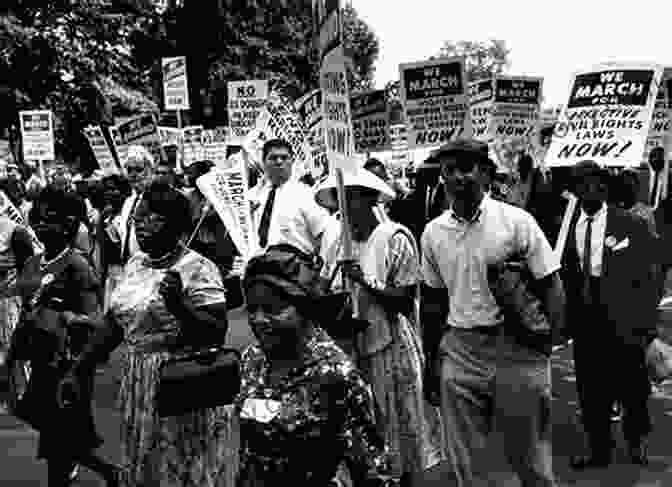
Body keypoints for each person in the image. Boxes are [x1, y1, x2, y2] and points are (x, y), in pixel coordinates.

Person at [420, 139, 565, 487]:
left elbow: (552, 285)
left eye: (466, 168)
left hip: (516, 348)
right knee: (470, 463)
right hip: (461, 350)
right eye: (449, 170)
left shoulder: (517, 222)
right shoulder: (433, 233)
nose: (458, 177)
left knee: (530, 458)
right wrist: (432, 359)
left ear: (485, 173)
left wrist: (548, 348)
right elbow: (433, 301)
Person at [66, 181, 232, 486]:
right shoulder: (136, 263)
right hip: (139, 380)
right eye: (137, 219)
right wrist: (80, 368)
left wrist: (180, 306)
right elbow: (116, 323)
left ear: (176, 225)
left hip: (182, 381)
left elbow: (215, 332)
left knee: (182, 463)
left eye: (152, 219)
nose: (142, 226)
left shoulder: (199, 268)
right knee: (146, 462)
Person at [316, 169, 445, 485]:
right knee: (360, 429)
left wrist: (365, 280)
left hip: (389, 345)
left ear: (371, 200)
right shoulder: (336, 242)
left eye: (352, 198)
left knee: (399, 426)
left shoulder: (395, 238)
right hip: (350, 346)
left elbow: (403, 299)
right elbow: (322, 287)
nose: (345, 209)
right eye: (340, 200)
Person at [237, 244, 399, 486]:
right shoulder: (252, 360)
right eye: (252, 309)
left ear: (303, 309)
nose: (259, 320)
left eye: (273, 310)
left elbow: (374, 469)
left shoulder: (335, 375)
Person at [16, 188, 119, 486]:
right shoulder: (34, 262)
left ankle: (104, 473)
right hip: (40, 360)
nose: (40, 226)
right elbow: (28, 307)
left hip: (69, 364)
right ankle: (108, 472)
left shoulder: (78, 265)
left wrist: (70, 319)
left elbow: (96, 321)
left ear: (69, 224)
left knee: (59, 440)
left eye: (49, 220)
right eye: (36, 219)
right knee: (53, 433)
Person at [559, 161, 659, 469]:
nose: (590, 188)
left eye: (595, 182)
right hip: (587, 322)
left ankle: (636, 442)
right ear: (575, 190)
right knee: (591, 388)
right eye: (581, 183)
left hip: (624, 319)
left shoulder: (631, 224)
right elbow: (565, 275)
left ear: (604, 187)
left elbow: (649, 278)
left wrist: (646, 328)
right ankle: (598, 449)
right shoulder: (566, 226)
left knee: (632, 385)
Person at [247, 139, 331, 256]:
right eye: (273, 158)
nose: (279, 161)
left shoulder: (305, 194)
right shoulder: (252, 196)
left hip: (295, 268)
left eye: (284, 157)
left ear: (292, 161)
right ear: (264, 162)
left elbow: (323, 234)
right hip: (256, 267)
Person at [116, 145, 153, 265]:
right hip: (129, 267)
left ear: (149, 170)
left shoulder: (156, 200)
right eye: (129, 170)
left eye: (138, 169)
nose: (133, 174)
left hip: (149, 266)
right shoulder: (128, 202)